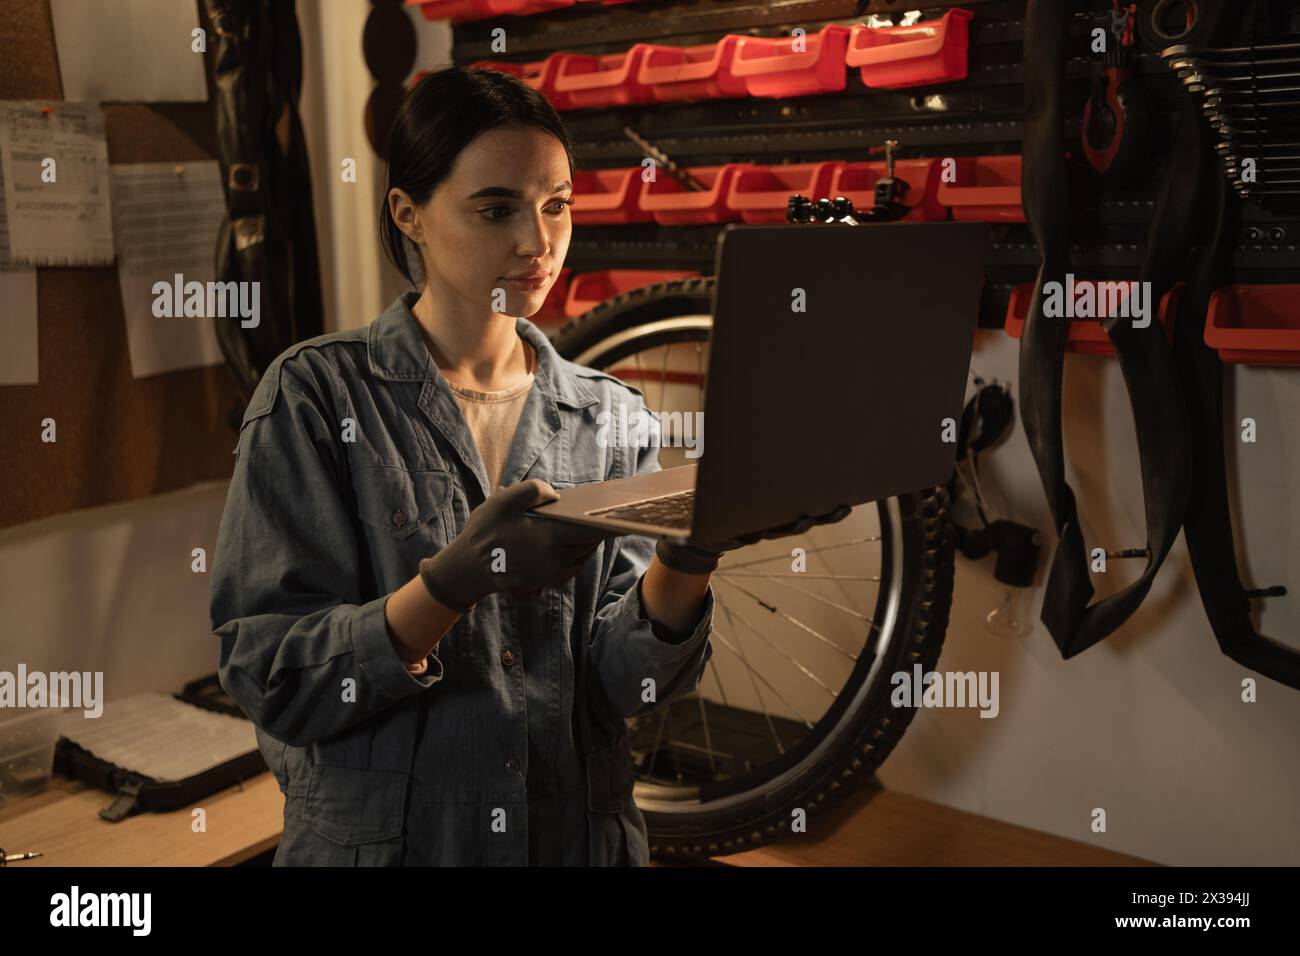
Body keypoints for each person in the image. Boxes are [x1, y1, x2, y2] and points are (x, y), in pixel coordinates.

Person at [209, 65, 845, 866]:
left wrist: (692, 554)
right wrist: (448, 586)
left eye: (556, 206)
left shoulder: (611, 415)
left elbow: (624, 692)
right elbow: (271, 677)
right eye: (496, 209)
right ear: (409, 214)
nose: (538, 244)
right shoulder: (313, 397)